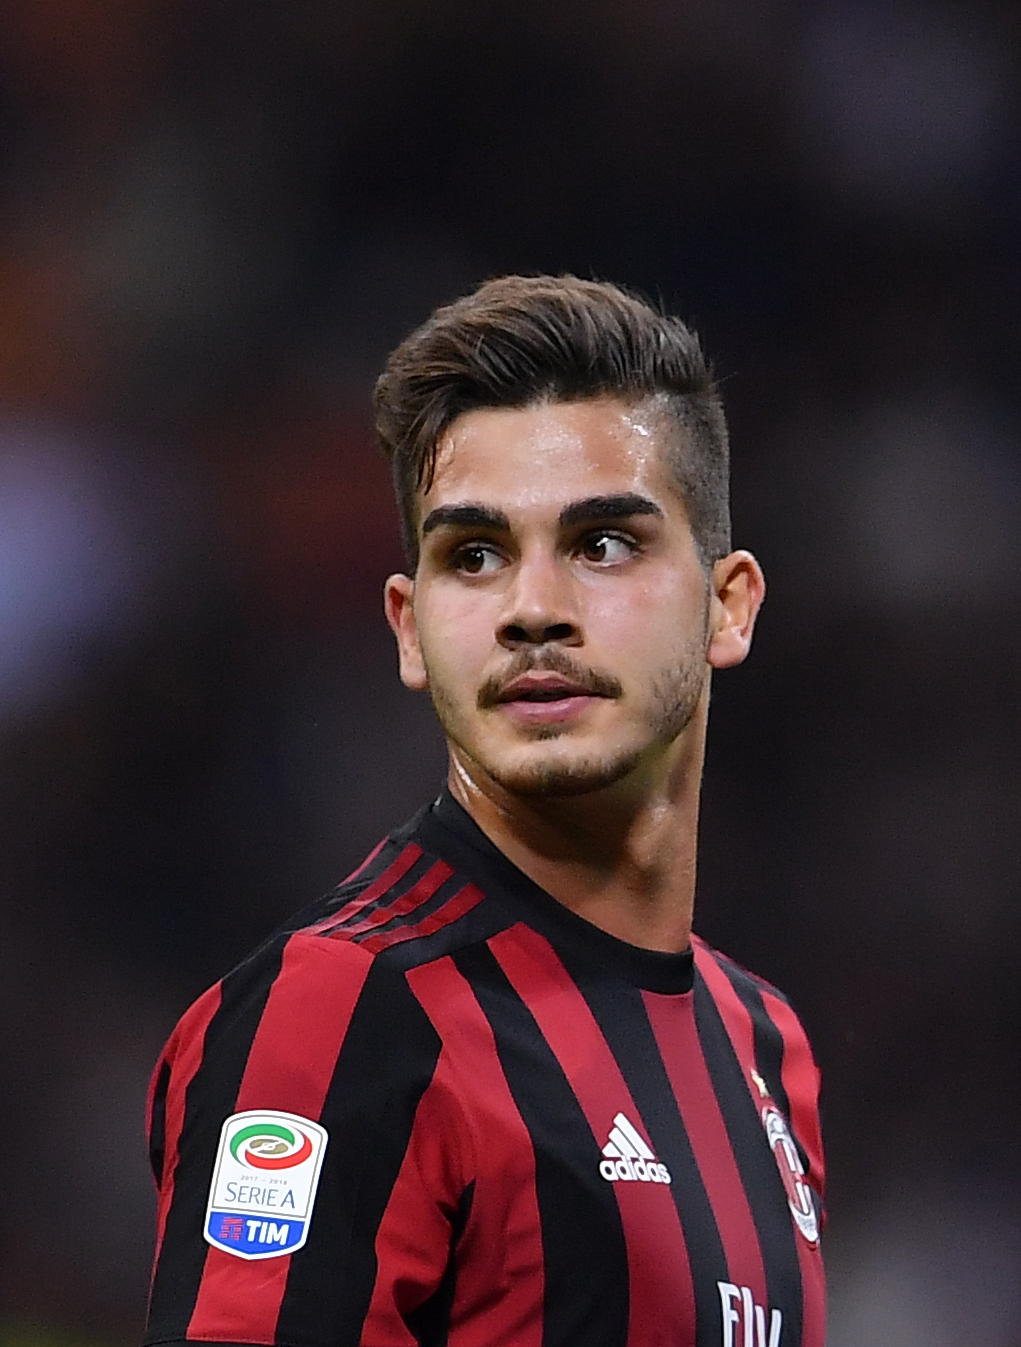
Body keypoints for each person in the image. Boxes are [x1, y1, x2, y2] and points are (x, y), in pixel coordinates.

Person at [142, 275, 823, 1347]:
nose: (533, 610)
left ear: (725, 605)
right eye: (474, 555)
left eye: (602, 544)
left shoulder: (765, 1051)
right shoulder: (344, 1012)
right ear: (410, 629)